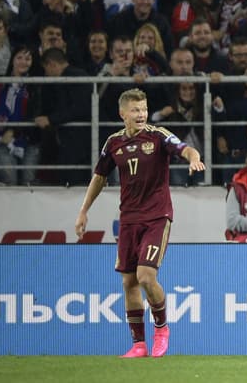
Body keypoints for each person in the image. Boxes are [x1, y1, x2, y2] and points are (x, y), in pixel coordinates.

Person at [74, 88, 205, 359]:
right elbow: (99, 177)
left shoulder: (157, 136)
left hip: (157, 216)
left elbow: (184, 148)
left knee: (146, 276)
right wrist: (84, 210)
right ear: (123, 114)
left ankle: (161, 329)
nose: (141, 114)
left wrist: (195, 159)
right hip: (129, 218)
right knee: (129, 282)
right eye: (135, 110)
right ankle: (138, 345)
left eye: (144, 109)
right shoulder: (113, 143)